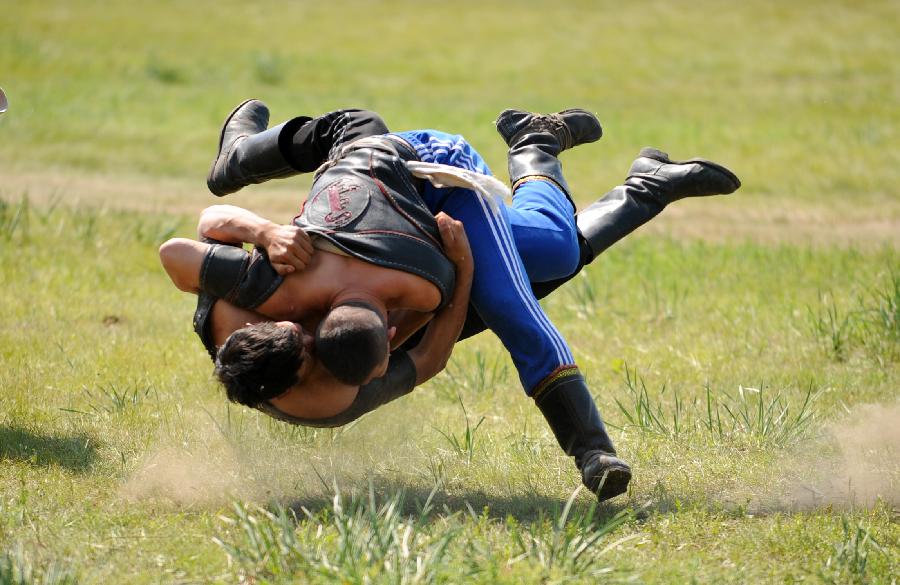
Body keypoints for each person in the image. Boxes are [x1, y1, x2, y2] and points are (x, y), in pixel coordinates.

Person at [160, 101, 740, 501]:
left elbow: (189, 242)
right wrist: (462, 272)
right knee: (545, 255)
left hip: (433, 175)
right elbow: (431, 357)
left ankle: (592, 451)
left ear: (300, 331)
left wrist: (267, 233)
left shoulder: (273, 291)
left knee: (522, 288)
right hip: (415, 254)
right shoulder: (331, 388)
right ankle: (628, 180)